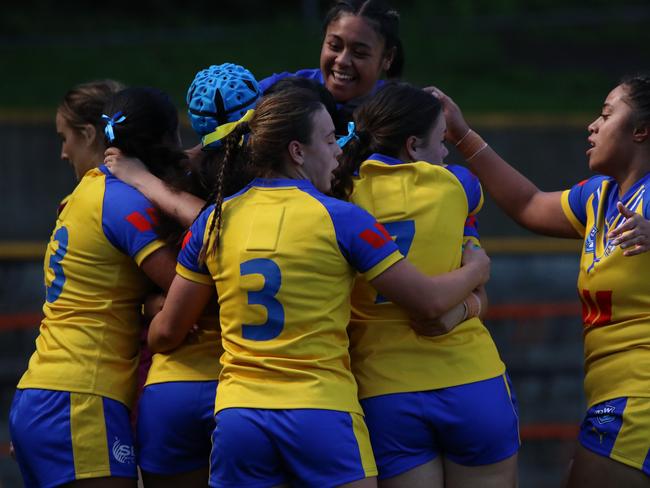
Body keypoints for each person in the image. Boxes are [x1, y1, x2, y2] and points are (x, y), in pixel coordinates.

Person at [145, 87, 491, 488]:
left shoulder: (215, 219)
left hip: (240, 417)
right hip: (320, 412)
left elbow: (167, 330)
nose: (340, 151)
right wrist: (477, 270)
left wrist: (149, 314)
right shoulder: (342, 219)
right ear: (297, 151)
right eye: (329, 140)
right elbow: (428, 302)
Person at [430, 75, 650, 488]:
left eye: (606, 114)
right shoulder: (599, 197)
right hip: (615, 397)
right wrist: (461, 134)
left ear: (641, 131)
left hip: (639, 402)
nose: (593, 125)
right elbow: (528, 204)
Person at [333, 82, 519, 488]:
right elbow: (471, 253)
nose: (445, 153)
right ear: (414, 145)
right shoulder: (459, 184)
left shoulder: (337, 197)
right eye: (440, 142)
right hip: (473, 381)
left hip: (386, 392)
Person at [9, 87, 185, 488]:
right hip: (79, 399)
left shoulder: (80, 199)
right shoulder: (120, 200)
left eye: (64, 138)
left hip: (46, 392)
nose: (63, 152)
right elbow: (185, 285)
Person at [129, 64, 261, 488]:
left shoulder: (163, 184)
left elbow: (159, 322)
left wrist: (153, 306)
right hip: (249, 391)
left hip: (173, 388)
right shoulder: (282, 188)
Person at [259, 0, 403, 132]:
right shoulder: (280, 90)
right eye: (335, 46)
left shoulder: (401, 110)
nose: (342, 61)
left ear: (387, 57)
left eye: (359, 53)